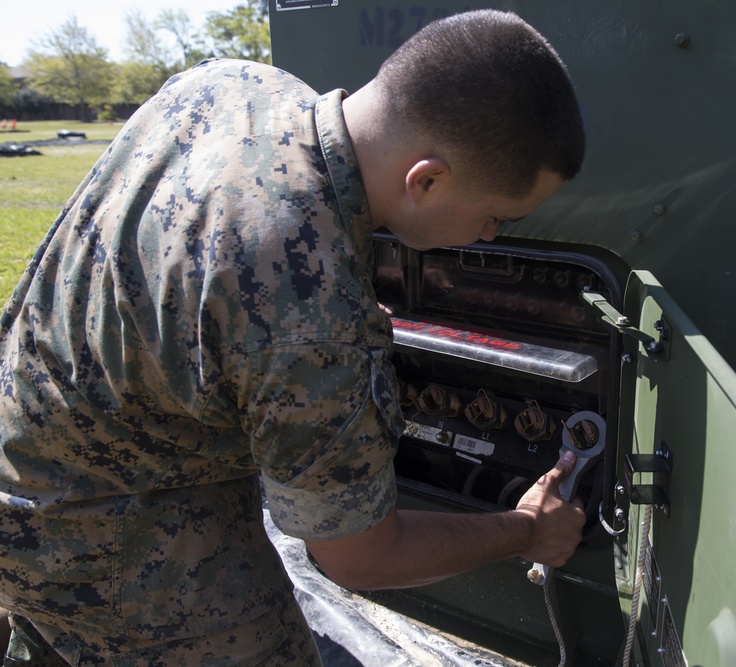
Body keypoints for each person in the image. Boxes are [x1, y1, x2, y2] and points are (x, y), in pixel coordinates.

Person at [0, 9, 586, 666]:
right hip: (92, 539)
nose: (489, 236)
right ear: (425, 179)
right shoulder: (309, 302)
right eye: (496, 216)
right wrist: (527, 530)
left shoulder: (231, 83)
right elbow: (360, 555)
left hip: (25, 444)